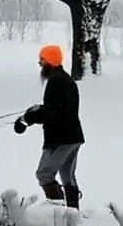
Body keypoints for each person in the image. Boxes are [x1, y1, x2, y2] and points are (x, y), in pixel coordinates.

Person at [13, 44, 85, 208]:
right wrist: (38, 110)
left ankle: (58, 214)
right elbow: (57, 108)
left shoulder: (56, 82)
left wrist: (28, 118)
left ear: (50, 61)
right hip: (74, 137)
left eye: (42, 60)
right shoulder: (65, 80)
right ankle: (73, 212)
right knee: (68, 176)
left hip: (61, 139)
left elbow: (52, 114)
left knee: (44, 174)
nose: (39, 64)